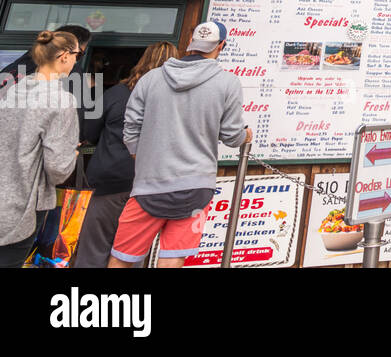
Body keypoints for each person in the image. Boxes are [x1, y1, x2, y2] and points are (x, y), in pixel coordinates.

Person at [108, 21, 248, 268]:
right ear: (221, 46)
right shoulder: (228, 83)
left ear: (189, 44)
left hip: (148, 186)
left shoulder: (151, 78)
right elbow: (232, 136)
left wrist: (140, 157)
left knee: (123, 257)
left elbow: (130, 126)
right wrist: (245, 135)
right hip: (196, 187)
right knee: (173, 257)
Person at [74, 41, 179, 268]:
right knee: (132, 254)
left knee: (94, 249)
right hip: (152, 184)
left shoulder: (119, 93)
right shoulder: (177, 99)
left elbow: (89, 131)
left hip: (110, 180)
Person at [0, 31, 81, 267]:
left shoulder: (9, 91)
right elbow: (57, 169)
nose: (77, 60)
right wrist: (71, 155)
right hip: (23, 203)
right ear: (64, 56)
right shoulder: (61, 100)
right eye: (77, 54)